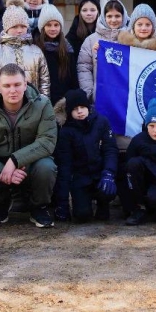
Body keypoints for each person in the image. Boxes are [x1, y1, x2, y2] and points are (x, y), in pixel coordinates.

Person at [0, 64, 58, 227]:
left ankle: (38, 207)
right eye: (7, 86)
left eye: (17, 84)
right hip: (1, 169)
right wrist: (2, 171)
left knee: (47, 167)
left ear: (25, 84)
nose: (13, 90)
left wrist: (15, 160)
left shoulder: (43, 105)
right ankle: (3, 201)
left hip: (31, 165)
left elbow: (47, 142)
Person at [52, 89, 118, 223]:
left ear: (88, 107)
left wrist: (109, 173)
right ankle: (83, 203)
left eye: (82, 107)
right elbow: (65, 166)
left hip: (101, 174)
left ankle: (103, 205)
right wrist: (62, 204)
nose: (80, 111)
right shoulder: (66, 132)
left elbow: (110, 150)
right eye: (75, 109)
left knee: (108, 190)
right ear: (69, 111)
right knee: (82, 215)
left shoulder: (102, 122)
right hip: (81, 178)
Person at [0, 0, 51, 104]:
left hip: (33, 108)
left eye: (23, 26)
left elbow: (45, 82)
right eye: (15, 26)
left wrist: (42, 105)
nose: (19, 30)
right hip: (3, 109)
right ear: (6, 28)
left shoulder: (36, 52)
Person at [77, 0, 129, 101]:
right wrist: (90, 92)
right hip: (99, 99)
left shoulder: (131, 39)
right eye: (109, 16)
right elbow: (84, 67)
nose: (113, 20)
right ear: (103, 17)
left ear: (124, 17)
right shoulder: (91, 40)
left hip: (125, 100)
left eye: (117, 16)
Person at [35, 3, 78, 106]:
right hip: (41, 100)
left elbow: (73, 78)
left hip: (63, 100)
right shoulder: (36, 48)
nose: (53, 28)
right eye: (49, 25)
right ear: (42, 27)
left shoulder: (67, 48)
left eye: (56, 25)